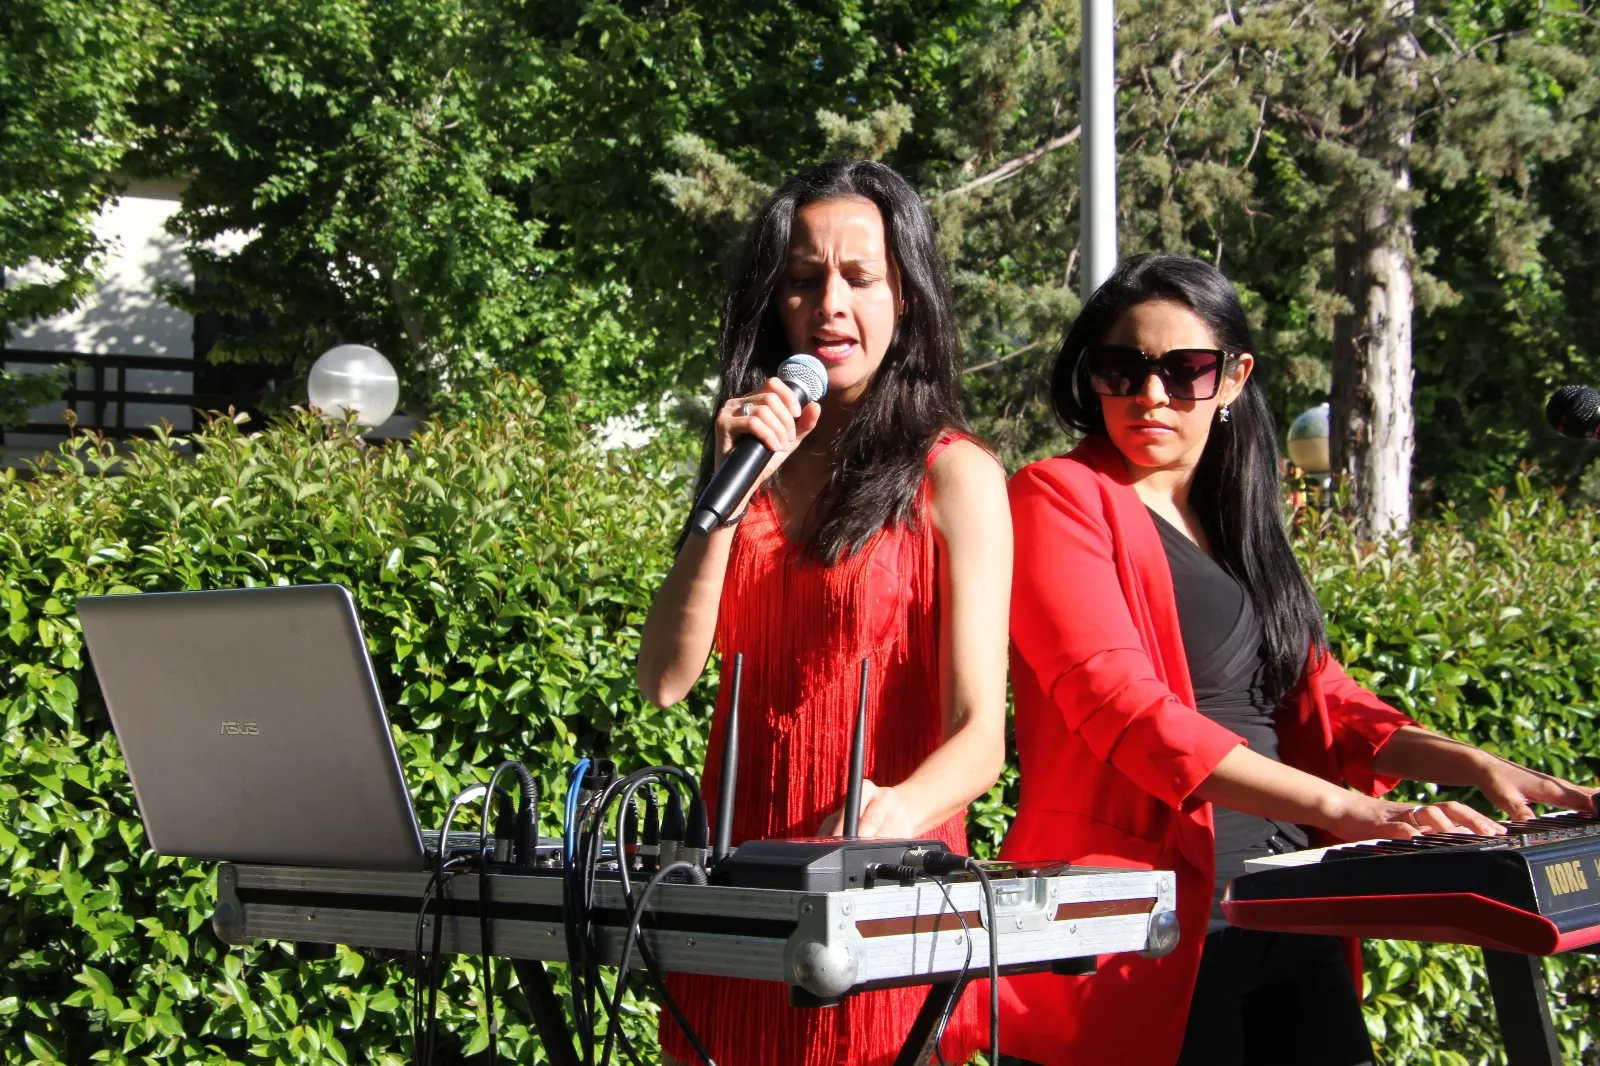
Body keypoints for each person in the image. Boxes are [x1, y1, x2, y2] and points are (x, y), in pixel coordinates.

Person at [996, 253, 1596, 1066]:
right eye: (1121, 369)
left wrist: (1479, 764)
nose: (1151, 394)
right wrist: (1357, 812)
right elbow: (1124, 709)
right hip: (1150, 923)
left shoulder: (1240, 520)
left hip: (1291, 900)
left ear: (1234, 378)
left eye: (1185, 369)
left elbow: (1326, 698)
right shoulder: (1055, 496)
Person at [636, 160, 1011, 1066]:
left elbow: (980, 739)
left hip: (880, 900)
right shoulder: (748, 460)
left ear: (906, 298)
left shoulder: (956, 476)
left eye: (860, 278)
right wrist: (730, 489)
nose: (829, 306)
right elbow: (663, 680)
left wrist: (894, 809)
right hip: (736, 902)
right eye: (803, 281)